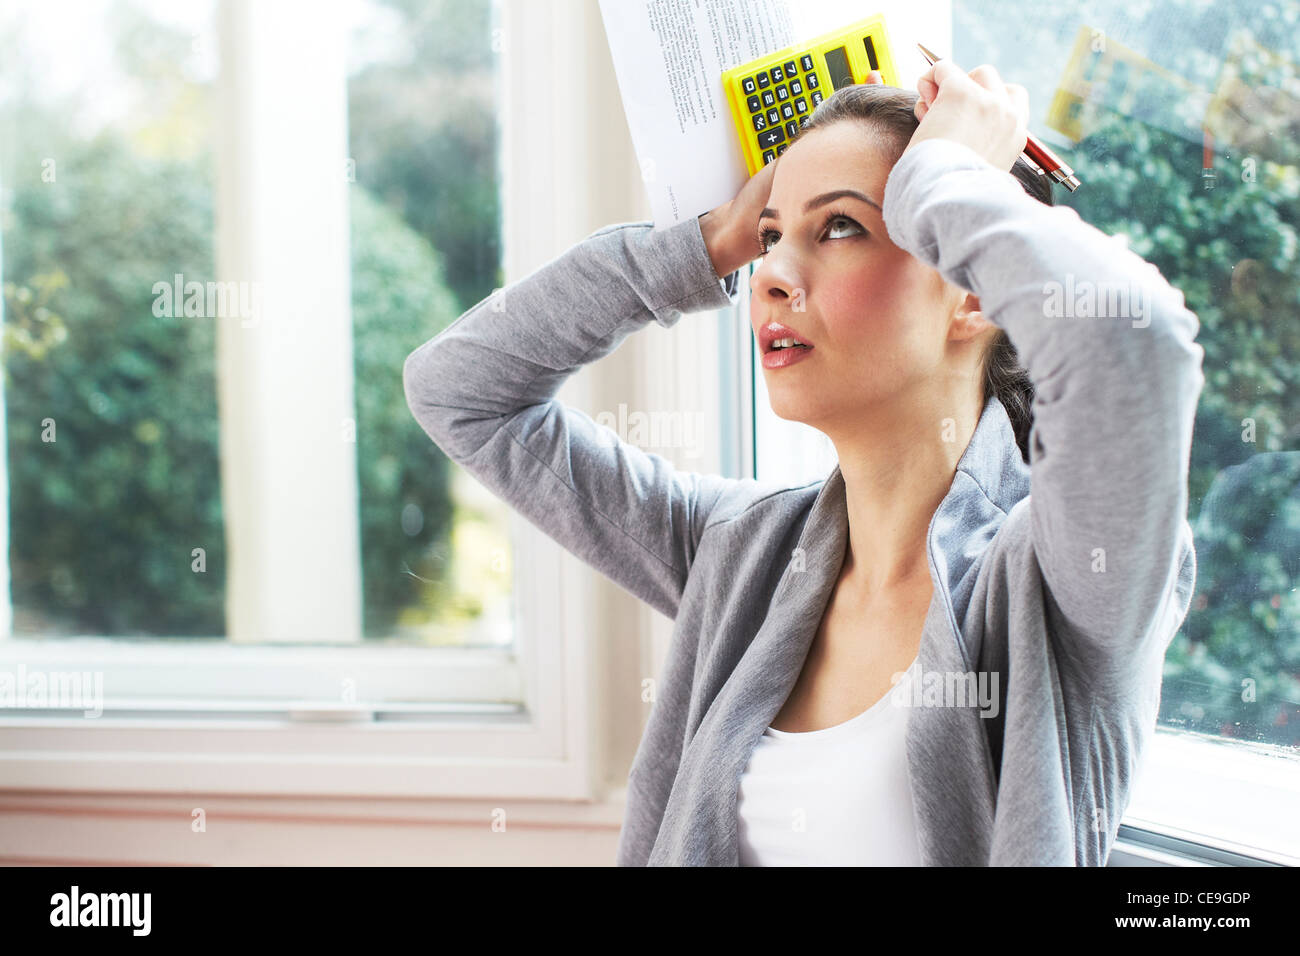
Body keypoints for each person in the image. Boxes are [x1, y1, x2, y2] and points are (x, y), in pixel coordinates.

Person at [403, 59, 1204, 865]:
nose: (773, 276)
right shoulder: (741, 552)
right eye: (773, 236)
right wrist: (708, 244)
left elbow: (1133, 344)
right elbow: (460, 391)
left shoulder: (1063, 582)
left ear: (971, 292)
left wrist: (944, 176)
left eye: (842, 227)